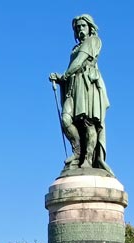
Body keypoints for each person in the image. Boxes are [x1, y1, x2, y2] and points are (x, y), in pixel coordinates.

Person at [50, 14, 113, 175]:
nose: (79, 29)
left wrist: (62, 75)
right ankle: (77, 152)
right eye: (77, 27)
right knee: (66, 119)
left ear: (90, 27)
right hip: (73, 85)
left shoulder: (93, 41)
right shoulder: (74, 48)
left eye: (82, 26)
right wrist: (61, 78)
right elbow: (73, 66)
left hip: (87, 84)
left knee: (88, 122)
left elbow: (79, 61)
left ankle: (88, 159)